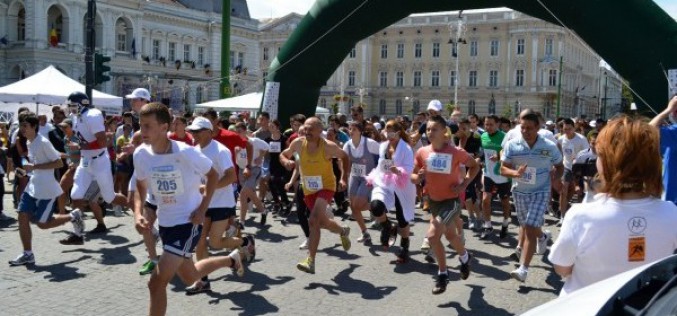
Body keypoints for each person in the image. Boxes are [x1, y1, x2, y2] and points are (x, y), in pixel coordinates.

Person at [133, 103, 243, 315]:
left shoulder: (186, 153)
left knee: (156, 283)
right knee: (190, 276)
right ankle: (232, 259)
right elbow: (140, 184)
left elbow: (212, 175)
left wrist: (202, 209)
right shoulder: (141, 154)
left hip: (188, 221)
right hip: (165, 223)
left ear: (164, 127)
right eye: (140, 125)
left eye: (147, 126)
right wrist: (138, 213)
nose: (142, 131)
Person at [548, 115, 677, 296]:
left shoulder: (581, 215)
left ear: (608, 161)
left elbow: (562, 268)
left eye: (600, 154)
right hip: (643, 306)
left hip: (587, 305)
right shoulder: (671, 213)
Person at [186, 116, 255, 295]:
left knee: (216, 243)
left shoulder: (220, 150)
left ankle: (246, 241)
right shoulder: (193, 150)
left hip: (221, 203)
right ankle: (203, 281)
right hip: (202, 203)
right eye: (192, 131)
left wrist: (209, 187)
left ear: (209, 132)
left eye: (197, 131)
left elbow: (231, 176)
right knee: (200, 242)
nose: (194, 134)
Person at [412, 115, 479, 294]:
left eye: (434, 129)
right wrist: (417, 177)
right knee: (450, 235)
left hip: (452, 201)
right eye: (427, 129)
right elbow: (412, 175)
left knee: (433, 237)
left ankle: (443, 274)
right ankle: (465, 258)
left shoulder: (456, 152)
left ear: (444, 132)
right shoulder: (422, 152)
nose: (430, 132)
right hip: (433, 201)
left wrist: (464, 184)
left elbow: (475, 166)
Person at [8, 112, 85, 266]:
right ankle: (27, 254)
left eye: (25, 126)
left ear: (34, 126)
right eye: (21, 126)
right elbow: (51, 158)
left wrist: (34, 166)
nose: (22, 129)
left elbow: (57, 163)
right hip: (33, 186)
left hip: (47, 189)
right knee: (22, 216)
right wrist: (26, 171)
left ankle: (73, 216)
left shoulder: (42, 142)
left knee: (42, 224)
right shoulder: (30, 142)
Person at [280, 117, 352, 274]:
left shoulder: (328, 147)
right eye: (305, 128)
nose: (307, 132)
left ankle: (310, 261)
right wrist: (286, 162)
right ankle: (342, 230)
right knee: (323, 223)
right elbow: (284, 154)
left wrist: (344, 177)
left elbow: (345, 156)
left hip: (326, 186)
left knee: (313, 220)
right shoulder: (298, 143)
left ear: (320, 131)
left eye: (310, 129)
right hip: (308, 189)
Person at [501, 110, 563, 282]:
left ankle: (523, 269)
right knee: (527, 225)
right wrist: (515, 173)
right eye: (522, 127)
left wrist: (556, 179)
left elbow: (559, 166)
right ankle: (543, 237)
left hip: (541, 191)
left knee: (528, 227)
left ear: (538, 127)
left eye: (529, 128)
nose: (525, 131)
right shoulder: (512, 145)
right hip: (520, 192)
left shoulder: (548, 146)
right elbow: (503, 168)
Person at [66, 92, 128, 244]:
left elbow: (101, 143)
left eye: (73, 105)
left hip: (100, 161)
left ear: (83, 104)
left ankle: (137, 207)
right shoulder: (77, 117)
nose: (71, 109)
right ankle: (78, 234)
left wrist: (80, 145)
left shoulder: (92, 115)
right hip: (85, 161)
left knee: (109, 197)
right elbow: (86, 137)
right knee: (75, 195)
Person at [366, 119, 417, 263]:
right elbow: (381, 164)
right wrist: (374, 176)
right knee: (375, 207)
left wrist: (398, 170)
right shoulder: (383, 146)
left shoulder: (406, 148)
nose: (388, 133)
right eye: (386, 130)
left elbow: (409, 168)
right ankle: (387, 226)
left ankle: (404, 246)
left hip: (402, 186)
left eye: (391, 130)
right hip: (385, 183)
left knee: (402, 219)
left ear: (398, 132)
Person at [343, 121, 380, 243]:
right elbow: (343, 161)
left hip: (368, 177)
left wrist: (379, 173)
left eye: (353, 129)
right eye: (349, 129)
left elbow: (384, 156)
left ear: (360, 131)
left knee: (358, 205)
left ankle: (378, 207)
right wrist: (343, 177)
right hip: (355, 175)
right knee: (353, 207)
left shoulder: (370, 144)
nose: (351, 131)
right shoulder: (347, 145)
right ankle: (365, 233)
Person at [480, 115, 513, 239]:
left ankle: (505, 222)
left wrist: (499, 158)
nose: (488, 127)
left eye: (491, 124)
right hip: (488, 173)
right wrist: (479, 158)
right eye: (486, 124)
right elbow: (483, 151)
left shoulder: (504, 137)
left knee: (504, 201)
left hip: (502, 174)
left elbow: (510, 154)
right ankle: (487, 226)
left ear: (497, 124)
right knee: (485, 199)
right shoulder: (483, 136)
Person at [234, 122, 270, 226]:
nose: (237, 134)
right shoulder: (235, 143)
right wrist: (235, 152)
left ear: (245, 131)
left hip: (254, 169)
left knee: (244, 193)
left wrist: (260, 156)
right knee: (248, 194)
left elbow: (267, 147)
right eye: (236, 132)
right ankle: (263, 211)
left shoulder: (254, 141)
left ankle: (241, 221)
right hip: (241, 170)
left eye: (239, 131)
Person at [557, 118, 589, 225]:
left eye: (569, 129)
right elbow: (559, 154)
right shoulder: (561, 139)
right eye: (565, 129)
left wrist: (578, 159)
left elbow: (587, 154)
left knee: (580, 192)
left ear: (574, 127)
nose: (567, 131)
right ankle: (562, 216)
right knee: (563, 190)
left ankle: (580, 217)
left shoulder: (581, 139)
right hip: (567, 167)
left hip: (579, 167)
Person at [649, 96, 677, 205]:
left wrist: (668, 110)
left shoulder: (674, 132)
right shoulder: (672, 133)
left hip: (673, 198)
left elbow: (648, 130)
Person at [265, 119, 292, 215]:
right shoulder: (268, 139)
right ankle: (278, 202)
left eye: (272, 126)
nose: (270, 128)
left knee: (276, 181)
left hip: (281, 164)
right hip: (272, 164)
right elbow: (265, 152)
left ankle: (285, 203)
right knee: (271, 183)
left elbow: (289, 151)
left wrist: (288, 161)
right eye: (269, 126)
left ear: (277, 127)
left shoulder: (284, 139)